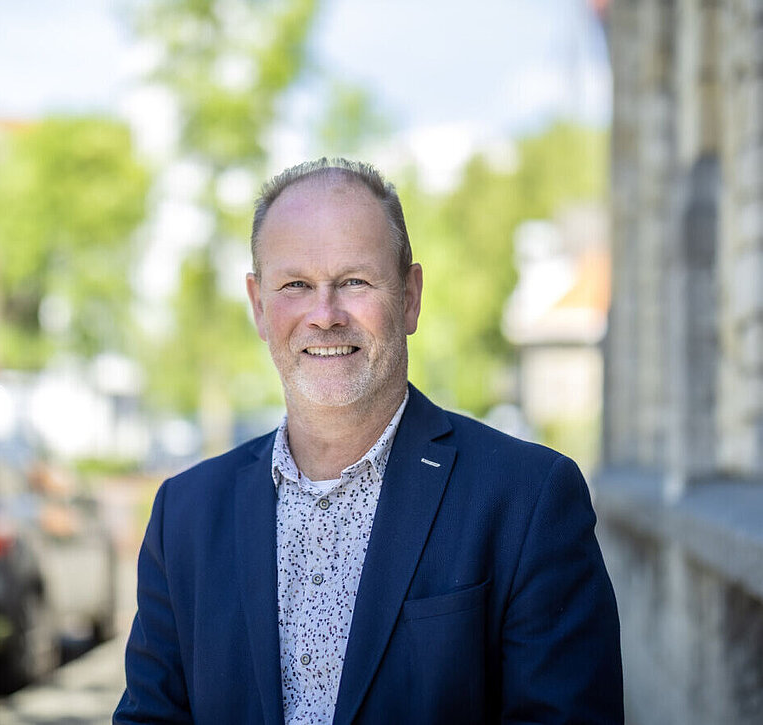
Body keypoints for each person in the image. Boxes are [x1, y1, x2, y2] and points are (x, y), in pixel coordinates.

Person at [114, 158, 623, 724]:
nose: (325, 315)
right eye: (296, 285)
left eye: (354, 281)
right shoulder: (184, 516)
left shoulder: (527, 499)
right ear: (258, 305)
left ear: (409, 296)